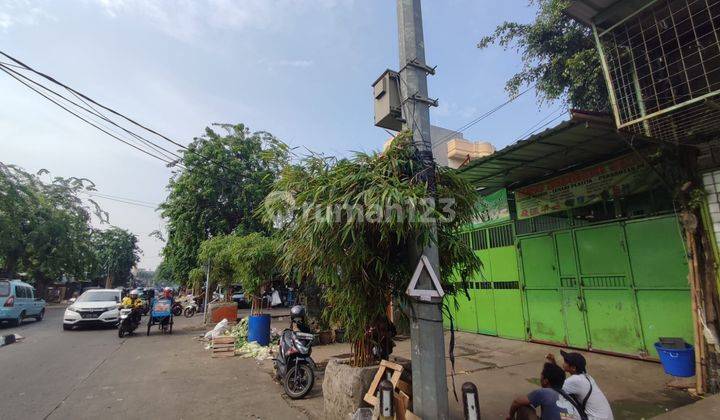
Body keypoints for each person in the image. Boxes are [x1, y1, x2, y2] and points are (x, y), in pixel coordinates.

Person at [547, 351, 614, 420]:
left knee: (557, 413)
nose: (563, 363)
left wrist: (552, 365)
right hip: (606, 417)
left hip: (595, 418)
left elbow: (554, 387)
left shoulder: (576, 380)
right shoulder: (587, 377)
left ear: (573, 368)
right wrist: (553, 363)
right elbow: (558, 380)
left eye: (566, 362)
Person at [507, 362, 580, 420]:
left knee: (523, 406)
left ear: (545, 381)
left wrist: (510, 416)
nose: (540, 376)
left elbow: (516, 402)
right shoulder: (568, 397)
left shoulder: (544, 392)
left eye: (542, 374)